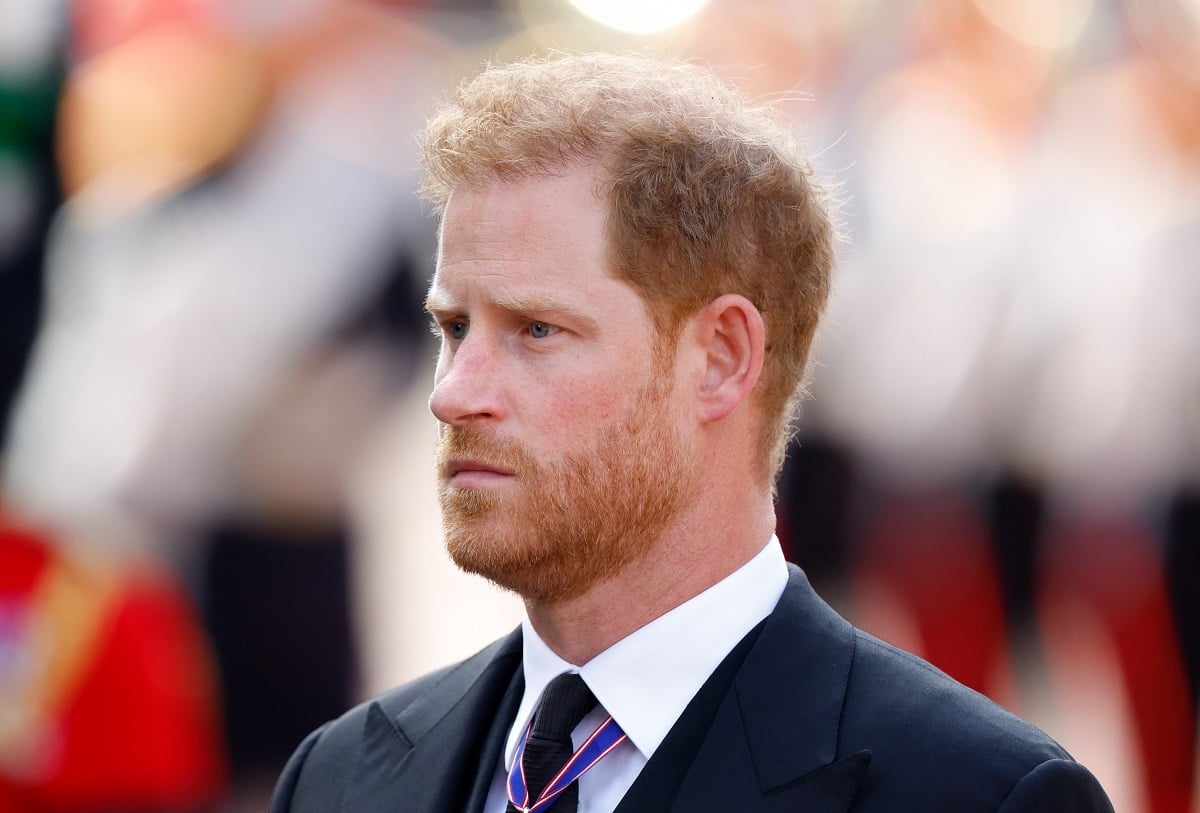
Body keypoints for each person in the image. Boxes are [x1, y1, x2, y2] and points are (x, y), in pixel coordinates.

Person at [269, 51, 1114, 812]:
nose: (453, 393)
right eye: (454, 328)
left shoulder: (976, 796)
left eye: (535, 330)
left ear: (720, 357)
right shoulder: (338, 777)